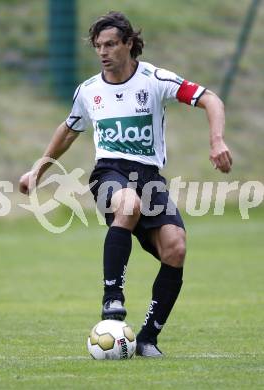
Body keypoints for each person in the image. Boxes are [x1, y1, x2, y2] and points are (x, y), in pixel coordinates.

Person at [19, 11, 233, 357]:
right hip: (109, 173)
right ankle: (112, 298)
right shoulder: (88, 91)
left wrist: (217, 140)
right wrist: (37, 171)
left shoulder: (154, 80)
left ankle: (148, 338)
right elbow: (68, 130)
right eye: (98, 46)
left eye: (110, 44)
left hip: (150, 176)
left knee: (175, 247)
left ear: (129, 44)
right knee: (128, 203)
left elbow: (210, 99)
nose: (103, 52)